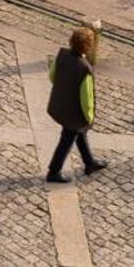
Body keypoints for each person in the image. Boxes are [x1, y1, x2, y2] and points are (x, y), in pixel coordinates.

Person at [45, 27, 108, 181]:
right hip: (75, 113)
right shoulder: (84, 68)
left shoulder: (62, 55)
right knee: (67, 140)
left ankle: (89, 162)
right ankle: (53, 172)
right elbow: (87, 99)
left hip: (61, 104)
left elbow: (52, 75)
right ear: (88, 46)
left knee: (80, 133)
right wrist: (89, 117)